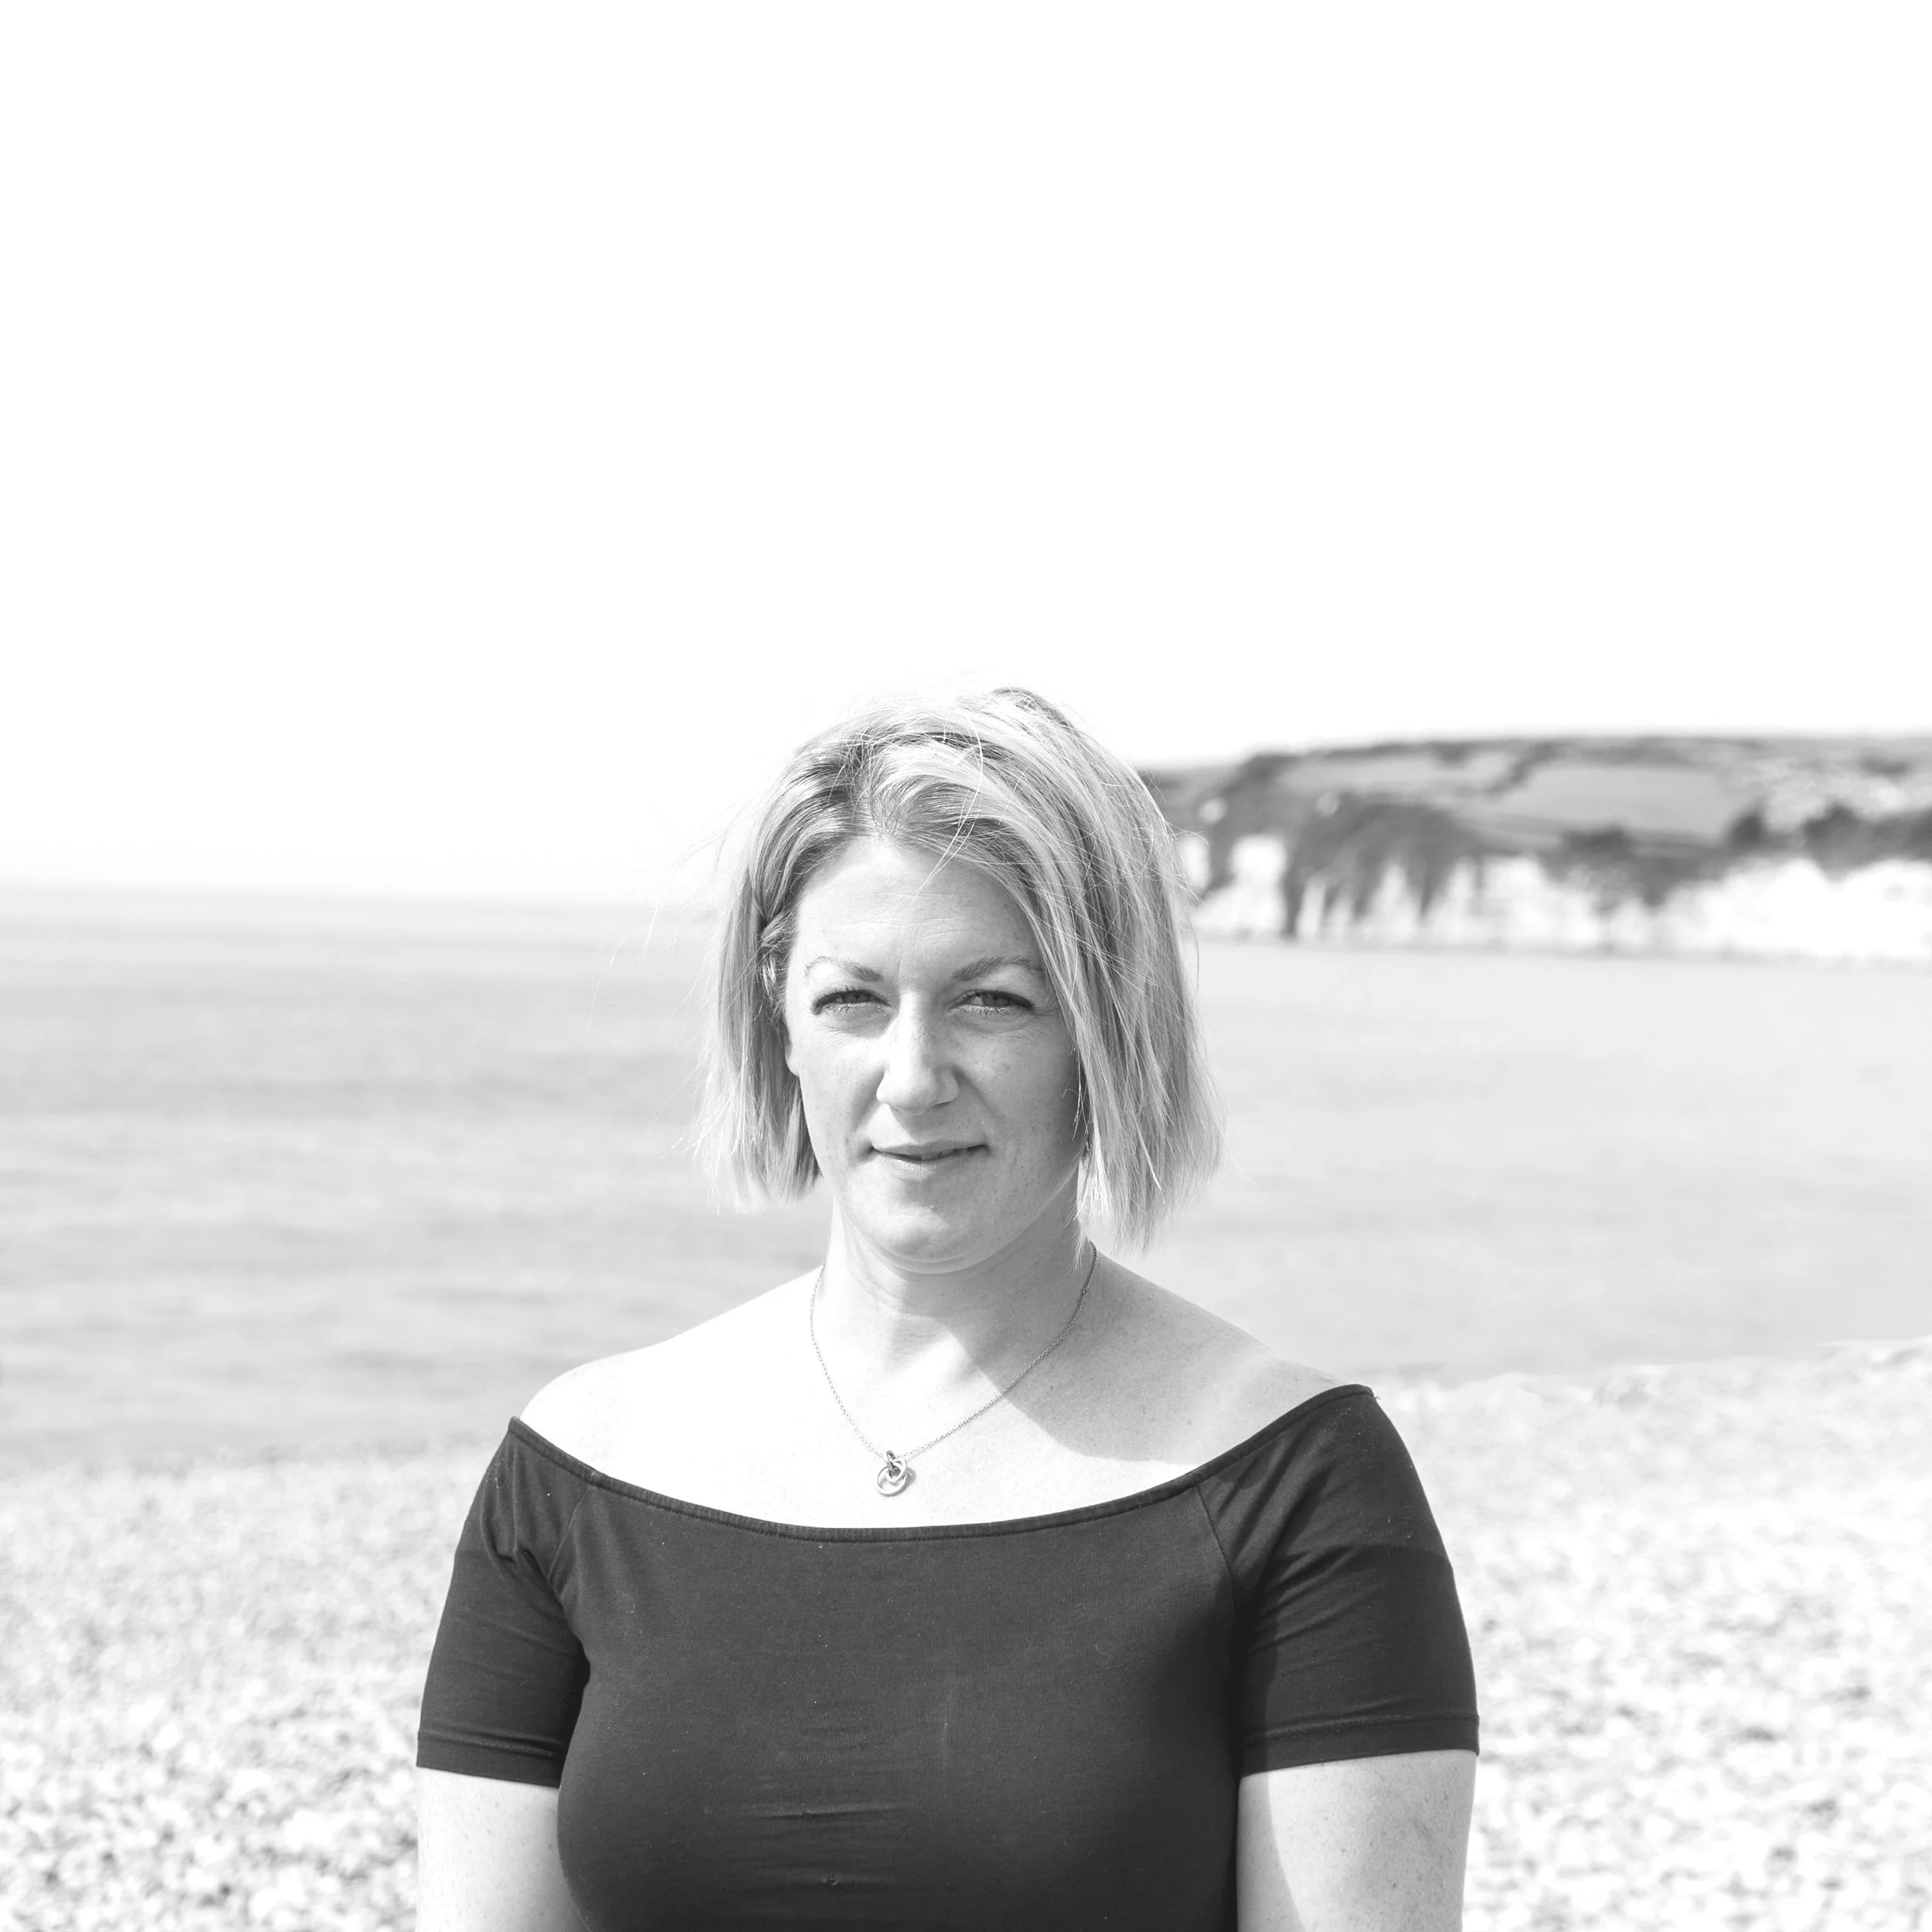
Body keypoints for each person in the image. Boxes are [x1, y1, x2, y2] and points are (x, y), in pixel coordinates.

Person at [415, 687, 1478, 1930]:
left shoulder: (1293, 1481)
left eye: (993, 1000)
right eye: (853, 1001)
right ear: (780, 1021)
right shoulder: (577, 1468)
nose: (913, 1079)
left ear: (1105, 1030)